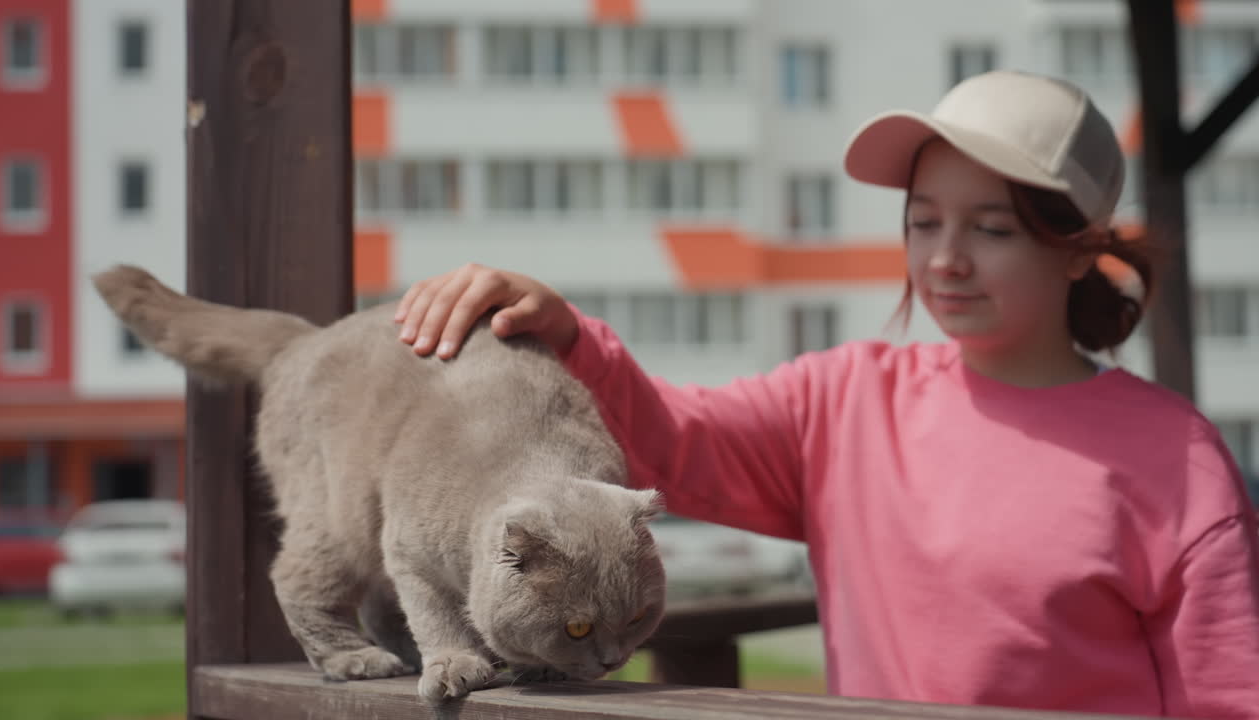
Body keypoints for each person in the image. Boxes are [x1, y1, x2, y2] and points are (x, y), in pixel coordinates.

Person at [391, 70, 1259, 717]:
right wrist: (566, 332)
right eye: (923, 221)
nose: (945, 258)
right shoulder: (844, 400)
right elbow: (670, 441)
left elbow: (1227, 697)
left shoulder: (1175, 458)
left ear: (1079, 249)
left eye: (992, 228)